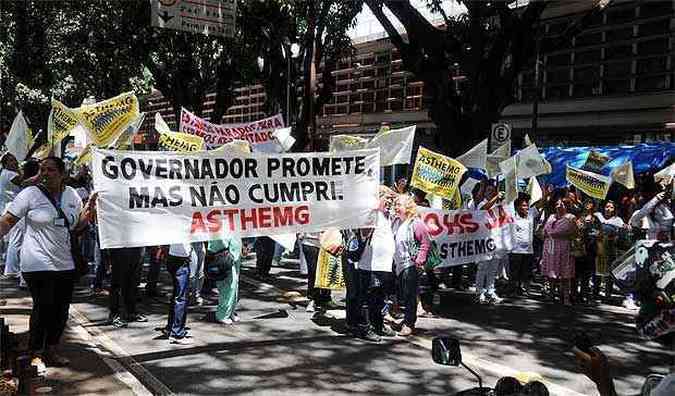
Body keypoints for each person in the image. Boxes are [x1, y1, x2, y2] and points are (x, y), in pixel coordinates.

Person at [0, 157, 96, 368]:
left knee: (60, 310)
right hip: (37, 263)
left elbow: (76, 226)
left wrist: (88, 212)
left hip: (65, 264)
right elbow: (7, 221)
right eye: (43, 169)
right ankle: (35, 351)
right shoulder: (30, 194)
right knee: (43, 307)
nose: (45, 173)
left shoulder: (71, 195)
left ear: (62, 174)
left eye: (51, 170)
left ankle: (52, 349)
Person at [392, 194, 430, 336]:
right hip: (398, 264)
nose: (396, 207)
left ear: (407, 207)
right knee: (402, 294)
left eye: (399, 205)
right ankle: (406, 319)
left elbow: (425, 243)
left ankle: (409, 323)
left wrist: (419, 262)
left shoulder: (416, 223)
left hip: (410, 264)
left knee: (409, 295)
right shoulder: (396, 222)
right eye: (395, 205)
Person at [540, 194, 577, 306]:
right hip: (550, 248)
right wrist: (545, 234)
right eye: (557, 204)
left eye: (562, 204)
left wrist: (557, 234)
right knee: (551, 273)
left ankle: (566, 298)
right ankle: (551, 295)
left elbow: (574, 233)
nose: (559, 206)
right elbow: (544, 232)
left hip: (564, 248)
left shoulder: (571, 218)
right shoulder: (551, 217)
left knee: (565, 274)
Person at [474, 180, 506, 304]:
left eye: (493, 191)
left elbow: (503, 218)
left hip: (497, 239)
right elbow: (483, 209)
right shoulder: (481, 203)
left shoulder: (498, 204)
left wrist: (501, 204)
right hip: (484, 240)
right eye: (489, 191)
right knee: (483, 267)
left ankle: (490, 290)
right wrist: (495, 199)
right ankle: (479, 291)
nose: (491, 193)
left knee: (493, 268)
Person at [105, 247, 147, 328]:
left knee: (131, 282)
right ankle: (114, 314)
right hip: (117, 248)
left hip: (134, 248)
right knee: (116, 283)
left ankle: (130, 312)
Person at [594, 200, 627, 301]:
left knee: (609, 272)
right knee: (596, 270)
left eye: (611, 207)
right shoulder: (598, 215)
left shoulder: (618, 220)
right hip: (597, 247)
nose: (608, 209)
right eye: (607, 206)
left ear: (614, 209)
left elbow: (621, 232)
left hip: (610, 248)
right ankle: (595, 293)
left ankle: (607, 294)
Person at [509, 195, 540, 296]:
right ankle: (513, 290)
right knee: (515, 273)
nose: (526, 207)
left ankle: (525, 289)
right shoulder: (512, 217)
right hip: (515, 250)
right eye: (523, 205)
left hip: (528, 251)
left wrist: (546, 192)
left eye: (527, 205)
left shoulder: (531, 214)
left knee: (526, 272)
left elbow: (542, 203)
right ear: (517, 207)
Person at [209, 233, 242, 325]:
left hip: (234, 254)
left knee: (234, 285)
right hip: (225, 256)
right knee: (227, 287)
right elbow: (217, 244)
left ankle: (230, 311)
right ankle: (222, 314)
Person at [164, 242, 192, 344]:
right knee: (181, 298)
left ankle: (171, 327)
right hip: (180, 260)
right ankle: (177, 333)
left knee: (177, 296)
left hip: (173, 257)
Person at [574, 199, 601, 304]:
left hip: (591, 249)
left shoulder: (596, 219)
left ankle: (584, 294)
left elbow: (599, 233)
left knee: (587, 274)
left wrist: (595, 232)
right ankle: (574, 294)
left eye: (590, 203)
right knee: (576, 273)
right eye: (586, 203)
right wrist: (582, 225)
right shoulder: (579, 218)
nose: (588, 205)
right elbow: (575, 231)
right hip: (580, 248)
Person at [300, 232, 333, 313]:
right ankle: (313, 299)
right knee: (313, 271)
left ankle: (326, 297)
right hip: (310, 242)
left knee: (326, 271)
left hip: (327, 243)